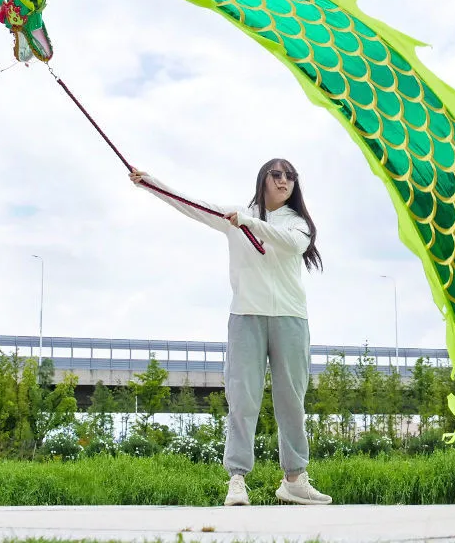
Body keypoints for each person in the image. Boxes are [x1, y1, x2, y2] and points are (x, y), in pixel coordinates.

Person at [129, 158, 331, 507]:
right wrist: (150, 183)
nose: (285, 181)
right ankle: (237, 479)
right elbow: (192, 205)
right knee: (243, 400)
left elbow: (292, 245)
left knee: (291, 401)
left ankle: (295, 480)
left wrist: (249, 223)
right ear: (263, 179)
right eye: (278, 174)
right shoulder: (235, 215)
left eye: (291, 176)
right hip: (246, 317)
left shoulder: (298, 223)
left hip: (291, 319)